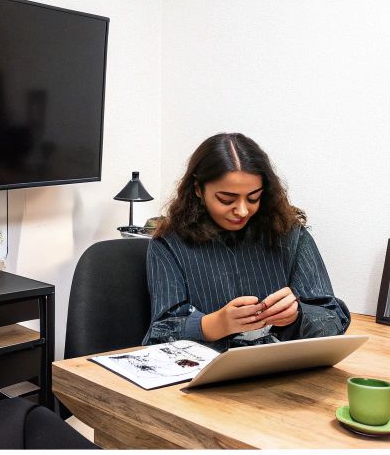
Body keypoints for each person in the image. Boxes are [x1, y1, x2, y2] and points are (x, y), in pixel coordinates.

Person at [145, 132, 350, 351]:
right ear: (198, 190)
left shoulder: (289, 234)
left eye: (253, 198)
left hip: (283, 371)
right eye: (226, 199)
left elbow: (334, 320)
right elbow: (159, 336)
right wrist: (214, 325)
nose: (242, 210)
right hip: (201, 377)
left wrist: (298, 315)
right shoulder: (169, 244)